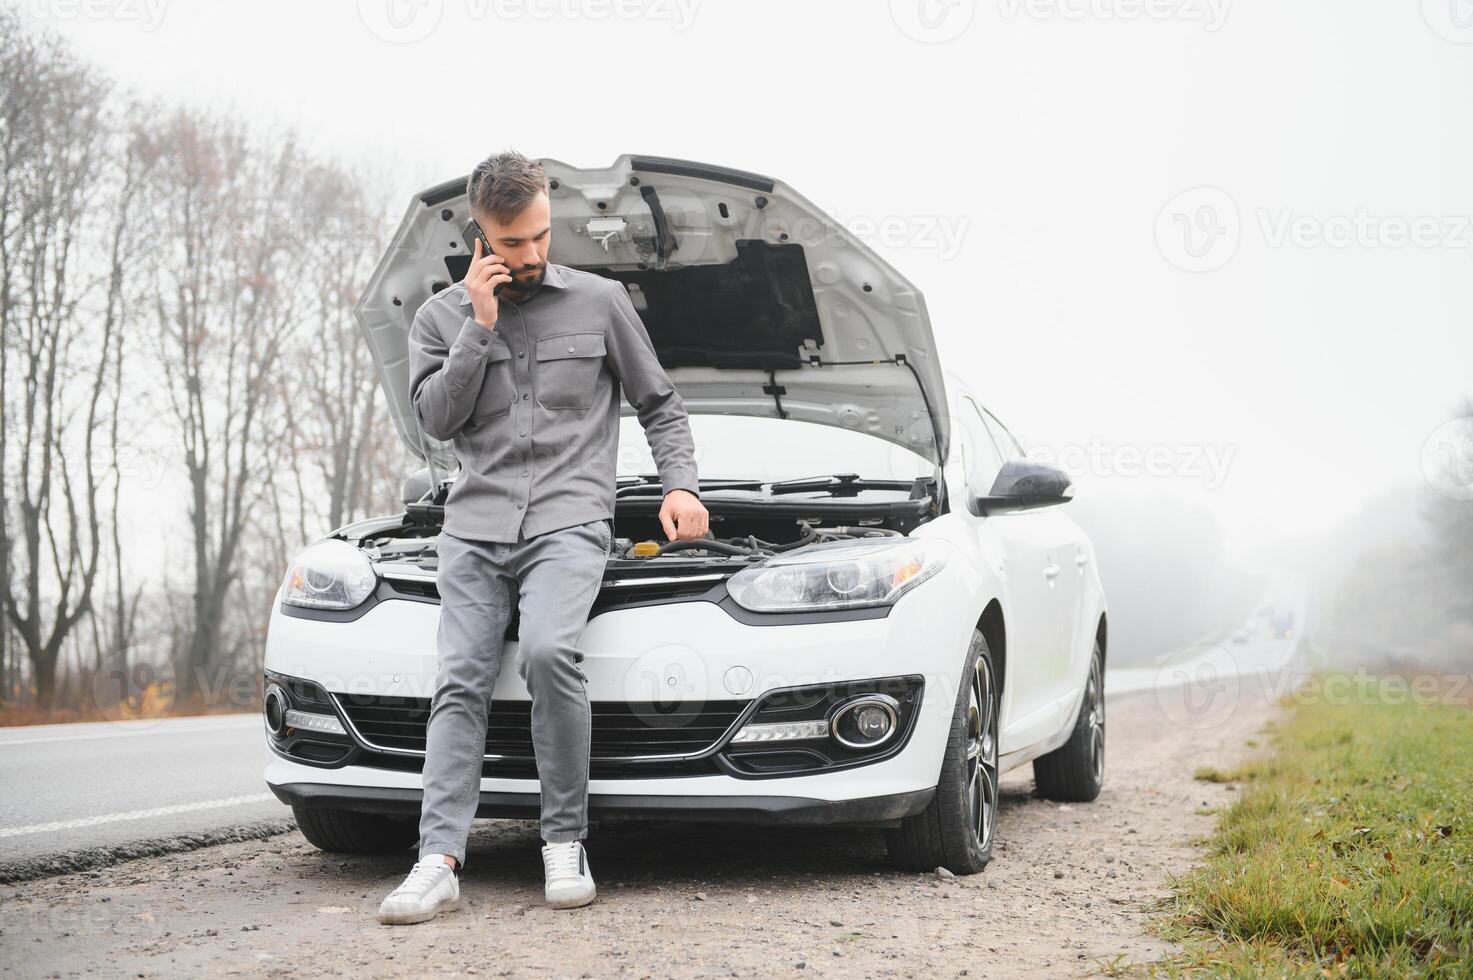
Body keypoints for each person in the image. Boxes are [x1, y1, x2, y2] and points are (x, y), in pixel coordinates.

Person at [377, 150, 709, 924]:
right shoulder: (438, 319)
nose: (528, 255)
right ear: (478, 233)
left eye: (538, 237)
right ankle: (438, 861)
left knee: (550, 652)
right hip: (475, 528)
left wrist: (680, 486)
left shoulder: (599, 303)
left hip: (568, 521)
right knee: (459, 676)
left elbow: (660, 403)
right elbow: (434, 423)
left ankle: (564, 839)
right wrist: (479, 329)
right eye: (510, 243)